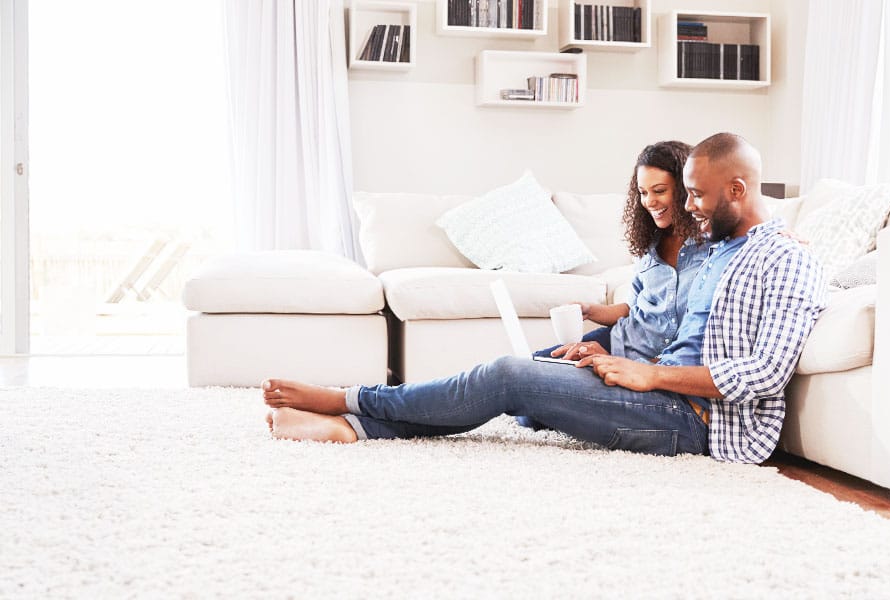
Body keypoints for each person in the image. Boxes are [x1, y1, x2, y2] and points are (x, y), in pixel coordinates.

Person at [262, 132, 828, 463]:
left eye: (696, 196)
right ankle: (359, 427)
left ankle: (349, 402)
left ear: (735, 191)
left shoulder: (783, 256)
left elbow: (764, 373)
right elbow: (672, 324)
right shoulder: (716, 247)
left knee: (511, 377)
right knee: (514, 381)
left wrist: (649, 376)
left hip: (695, 419)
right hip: (658, 388)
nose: (689, 207)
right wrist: (624, 356)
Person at [518, 140, 710, 430]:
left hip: (652, 363)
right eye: (643, 193)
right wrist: (590, 309)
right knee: (531, 375)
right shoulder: (650, 247)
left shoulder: (712, 247)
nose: (650, 202)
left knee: (537, 393)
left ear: (685, 190)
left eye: (659, 191)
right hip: (624, 338)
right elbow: (633, 309)